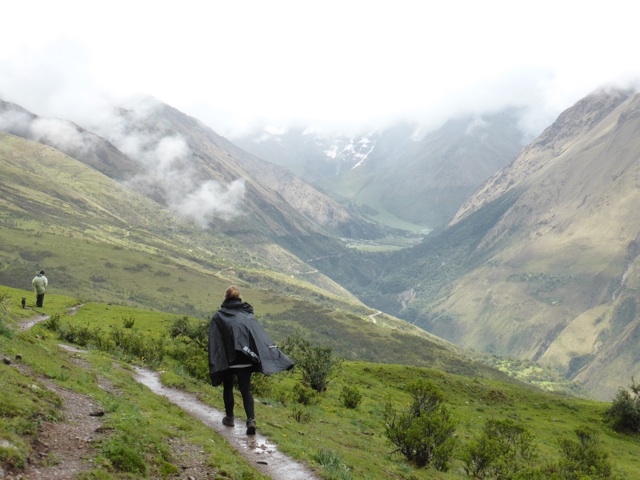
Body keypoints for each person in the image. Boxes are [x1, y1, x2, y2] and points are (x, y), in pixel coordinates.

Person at [208, 286, 294, 435]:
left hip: (229, 360)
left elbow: (215, 341)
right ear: (238, 297)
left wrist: (217, 361)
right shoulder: (248, 315)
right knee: (246, 390)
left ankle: (230, 418)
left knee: (228, 387)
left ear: (225, 297)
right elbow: (257, 336)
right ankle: (251, 421)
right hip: (246, 359)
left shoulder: (219, 316)